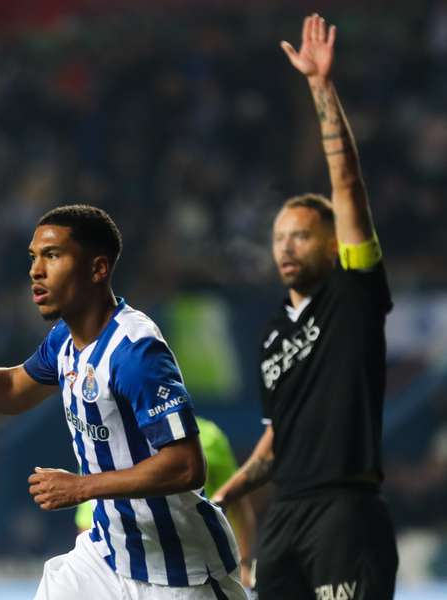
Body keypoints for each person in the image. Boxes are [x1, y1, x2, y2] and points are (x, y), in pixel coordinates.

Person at [0, 205, 248, 599]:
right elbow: (13, 387)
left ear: (98, 269)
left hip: (178, 571)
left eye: (52, 256)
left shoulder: (136, 352)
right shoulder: (64, 341)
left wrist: (82, 487)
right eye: (33, 257)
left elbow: (187, 466)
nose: (36, 270)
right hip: (107, 557)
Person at [211, 14, 398, 600]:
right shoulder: (271, 334)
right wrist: (227, 494)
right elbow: (277, 439)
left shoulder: (353, 293)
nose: (285, 246)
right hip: (284, 519)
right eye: (277, 238)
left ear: (331, 242)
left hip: (345, 509)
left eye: (300, 235)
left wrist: (321, 88)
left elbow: (347, 185)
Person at [76, 415, 256, 588]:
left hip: (196, 566)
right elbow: (89, 518)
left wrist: (245, 563)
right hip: (129, 568)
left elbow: (238, 506)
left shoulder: (208, 435)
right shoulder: (104, 446)